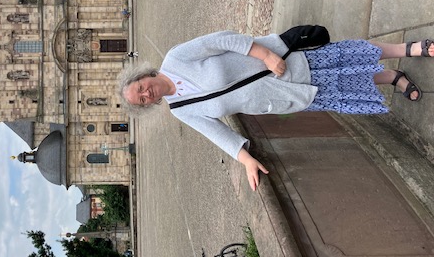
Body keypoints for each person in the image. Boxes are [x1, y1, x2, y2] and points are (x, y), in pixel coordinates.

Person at [118, 31, 433, 191]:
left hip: (280, 64)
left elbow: (222, 40)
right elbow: (216, 133)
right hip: (280, 97)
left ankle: (408, 49)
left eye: (141, 88)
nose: (146, 94)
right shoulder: (179, 109)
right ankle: (392, 78)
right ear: (149, 105)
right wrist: (246, 160)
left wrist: (266, 55)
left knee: (344, 56)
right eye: (142, 100)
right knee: (341, 85)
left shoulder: (176, 59)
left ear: (144, 75)